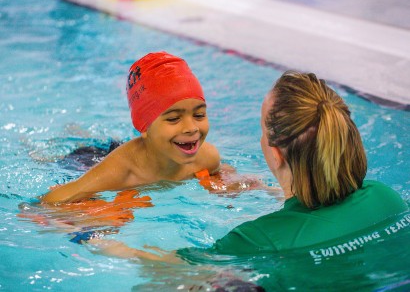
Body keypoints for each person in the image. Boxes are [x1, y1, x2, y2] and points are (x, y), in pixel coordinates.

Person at [87, 70, 408, 260]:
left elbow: (171, 269)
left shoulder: (257, 240)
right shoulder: (388, 198)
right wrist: (270, 191)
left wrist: (98, 241)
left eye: (261, 128)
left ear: (276, 153)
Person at [40, 51, 221, 204]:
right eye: (174, 119)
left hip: (146, 149)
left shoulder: (208, 159)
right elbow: (47, 203)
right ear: (144, 126)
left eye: (199, 115)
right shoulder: (119, 173)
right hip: (86, 163)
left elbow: (221, 175)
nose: (191, 128)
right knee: (52, 159)